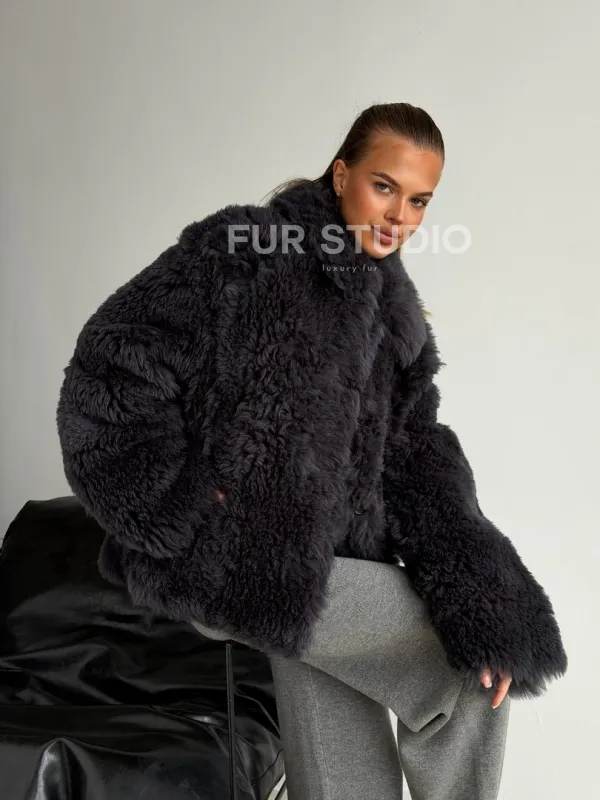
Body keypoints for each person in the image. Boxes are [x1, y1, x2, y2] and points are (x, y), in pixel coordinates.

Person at [56, 103, 568, 800]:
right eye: (384, 186)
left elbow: (417, 455)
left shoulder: (396, 317)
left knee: (350, 770)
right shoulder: (245, 252)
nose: (399, 216)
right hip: (229, 558)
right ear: (342, 174)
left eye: (420, 200)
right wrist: (180, 499)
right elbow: (112, 362)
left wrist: (477, 576)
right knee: (466, 664)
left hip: (326, 571)